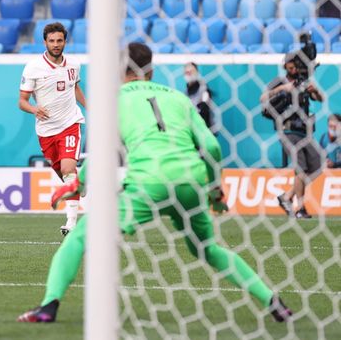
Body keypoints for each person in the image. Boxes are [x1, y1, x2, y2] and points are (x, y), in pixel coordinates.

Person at [17, 42, 292, 323]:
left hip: (149, 182)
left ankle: (48, 306)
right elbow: (211, 147)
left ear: (119, 69)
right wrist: (214, 189)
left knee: (78, 237)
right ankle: (273, 301)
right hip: (191, 180)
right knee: (208, 248)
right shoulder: (178, 97)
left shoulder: (114, 100)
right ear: (151, 70)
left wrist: (77, 184)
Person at [19, 22, 86, 235]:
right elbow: (22, 101)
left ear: (65, 41)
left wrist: (90, 106)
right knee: (66, 176)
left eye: (59, 40)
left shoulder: (74, 64)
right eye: (52, 41)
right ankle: (79, 183)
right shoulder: (33, 67)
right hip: (46, 132)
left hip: (70, 124)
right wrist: (34, 109)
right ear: (45, 42)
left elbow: (75, 87)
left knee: (68, 169)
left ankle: (72, 223)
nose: (56, 45)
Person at [260, 52, 324, 219]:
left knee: (318, 165)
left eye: (296, 63)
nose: (293, 66)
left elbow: (320, 99)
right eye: (290, 63)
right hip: (287, 129)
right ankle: (300, 208)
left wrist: (314, 90)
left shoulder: (303, 82)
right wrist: (282, 89)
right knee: (300, 169)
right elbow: (263, 98)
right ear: (285, 65)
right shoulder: (280, 81)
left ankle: (287, 197)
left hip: (305, 130)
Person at [184, 62, 214, 129]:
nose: (189, 74)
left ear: (197, 72)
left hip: (204, 129)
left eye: (191, 71)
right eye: (187, 72)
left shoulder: (204, 89)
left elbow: (204, 108)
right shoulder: (185, 92)